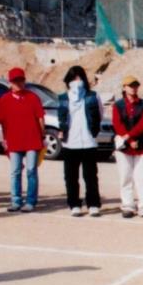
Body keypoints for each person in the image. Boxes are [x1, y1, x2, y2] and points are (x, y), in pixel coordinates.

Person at [57, 65, 102, 217]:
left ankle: (93, 204)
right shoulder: (63, 98)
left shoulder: (92, 96)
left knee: (90, 176)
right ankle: (74, 204)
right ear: (68, 80)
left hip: (88, 141)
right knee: (71, 176)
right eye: (73, 79)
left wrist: (93, 129)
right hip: (70, 142)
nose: (77, 82)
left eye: (79, 78)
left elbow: (99, 114)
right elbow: (61, 118)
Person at [0, 67, 45, 213]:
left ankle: (31, 201)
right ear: (10, 82)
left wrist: (42, 136)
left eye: (20, 80)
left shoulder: (33, 97)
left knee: (31, 170)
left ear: (24, 81)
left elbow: (40, 118)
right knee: (15, 171)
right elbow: (1, 121)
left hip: (32, 139)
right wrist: (4, 140)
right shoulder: (5, 99)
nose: (18, 83)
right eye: (15, 81)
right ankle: (16, 200)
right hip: (14, 140)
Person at [111, 75, 143, 219]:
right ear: (124, 88)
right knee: (125, 177)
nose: (133, 88)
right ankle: (128, 205)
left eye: (135, 85)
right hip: (124, 147)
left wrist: (130, 137)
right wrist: (128, 140)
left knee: (141, 177)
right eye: (130, 86)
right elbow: (117, 124)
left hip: (142, 146)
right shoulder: (117, 105)